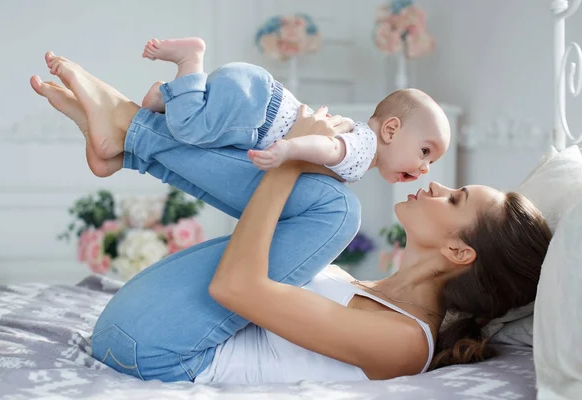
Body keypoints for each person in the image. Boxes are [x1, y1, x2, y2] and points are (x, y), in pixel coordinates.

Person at [30, 52, 552, 384]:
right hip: (147, 332)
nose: (435, 183)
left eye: (455, 198)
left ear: (461, 252)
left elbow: (237, 286)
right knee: (325, 199)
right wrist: (294, 158)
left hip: (160, 351)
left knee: (335, 206)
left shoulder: (407, 342)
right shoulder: (360, 284)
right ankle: (128, 143)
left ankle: (131, 130)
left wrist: (292, 152)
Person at [138, 37, 450, 183]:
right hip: (258, 115)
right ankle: (189, 60)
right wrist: (288, 148)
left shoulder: (362, 136)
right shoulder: (362, 154)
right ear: (391, 130)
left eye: (432, 161)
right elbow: (325, 147)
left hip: (259, 92)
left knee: (207, 118)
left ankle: (164, 98)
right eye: (425, 151)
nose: (425, 168)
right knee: (191, 130)